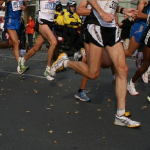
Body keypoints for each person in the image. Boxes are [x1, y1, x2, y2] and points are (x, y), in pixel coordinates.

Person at [50, 0, 141, 128]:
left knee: (123, 69)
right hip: (97, 25)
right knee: (93, 73)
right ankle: (65, 63)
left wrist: (122, 10)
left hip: (111, 27)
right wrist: (101, 12)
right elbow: (86, 7)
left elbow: (110, 4)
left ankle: (120, 116)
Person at [19, 0, 59, 81]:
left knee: (36, 47)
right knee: (53, 42)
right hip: (42, 21)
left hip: (50, 23)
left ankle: (22, 60)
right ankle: (48, 70)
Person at [127, 1, 150, 95]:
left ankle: (146, 70)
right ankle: (131, 83)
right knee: (129, 53)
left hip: (146, 26)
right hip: (141, 27)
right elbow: (138, 14)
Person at [0, 0, 28, 74]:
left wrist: (24, 7)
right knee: (16, 43)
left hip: (18, 22)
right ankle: (20, 66)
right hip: (10, 21)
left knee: (9, 44)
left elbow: (25, 5)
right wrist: (2, 7)